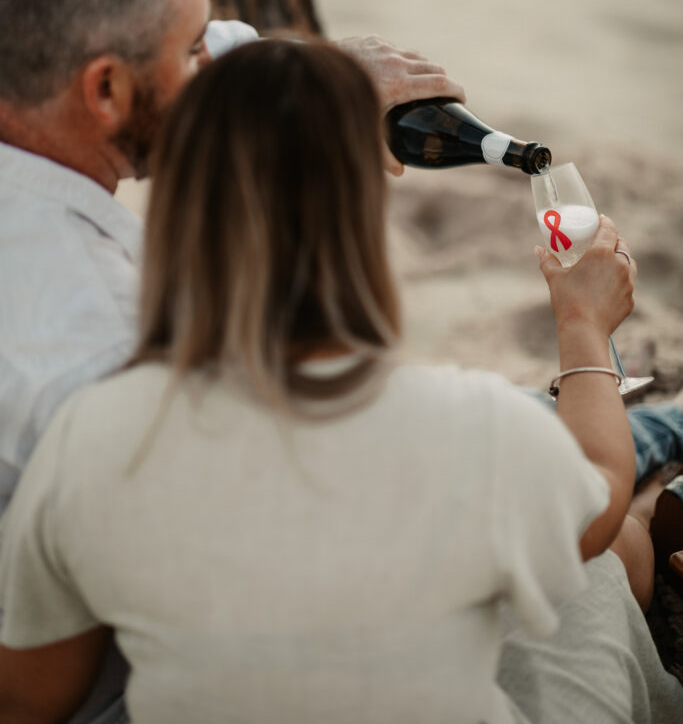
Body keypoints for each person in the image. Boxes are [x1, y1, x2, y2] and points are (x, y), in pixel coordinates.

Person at [0, 41, 679, 723]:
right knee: (588, 568)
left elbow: (34, 699)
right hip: (514, 495)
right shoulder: (467, 430)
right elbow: (593, 486)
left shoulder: (90, 439)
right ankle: (659, 493)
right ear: (363, 229)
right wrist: (582, 322)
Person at [0, 0, 464, 724]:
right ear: (105, 89)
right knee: (595, 560)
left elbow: (213, 51)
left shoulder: (33, 97)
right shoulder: (97, 354)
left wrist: (310, 75)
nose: (209, 60)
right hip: (135, 688)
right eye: (188, 54)